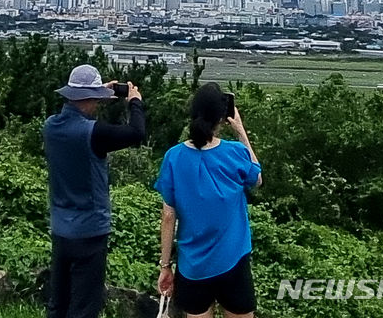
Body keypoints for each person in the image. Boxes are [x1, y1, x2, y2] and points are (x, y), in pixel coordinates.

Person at [43, 63, 146, 318]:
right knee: (84, 307)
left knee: (59, 303)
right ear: (89, 98)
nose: (99, 105)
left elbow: (80, 119)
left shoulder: (50, 127)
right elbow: (136, 133)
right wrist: (134, 103)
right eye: (96, 100)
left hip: (60, 229)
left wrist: (101, 92)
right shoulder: (93, 133)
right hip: (89, 231)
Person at [154, 82, 262, 318]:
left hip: (193, 267)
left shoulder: (173, 157)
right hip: (233, 260)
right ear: (222, 117)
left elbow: (168, 216)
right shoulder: (235, 153)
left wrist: (165, 266)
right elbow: (257, 179)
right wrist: (241, 131)